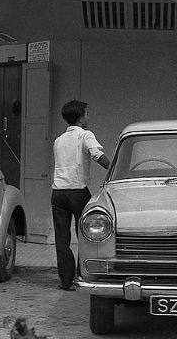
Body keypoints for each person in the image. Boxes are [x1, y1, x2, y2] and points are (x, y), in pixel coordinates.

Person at [51, 100, 110, 291]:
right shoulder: (85, 135)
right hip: (78, 191)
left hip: (58, 192)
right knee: (86, 235)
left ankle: (65, 280)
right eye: (87, 113)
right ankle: (83, 275)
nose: (88, 117)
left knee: (62, 238)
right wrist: (113, 169)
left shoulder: (58, 140)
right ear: (79, 117)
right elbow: (96, 154)